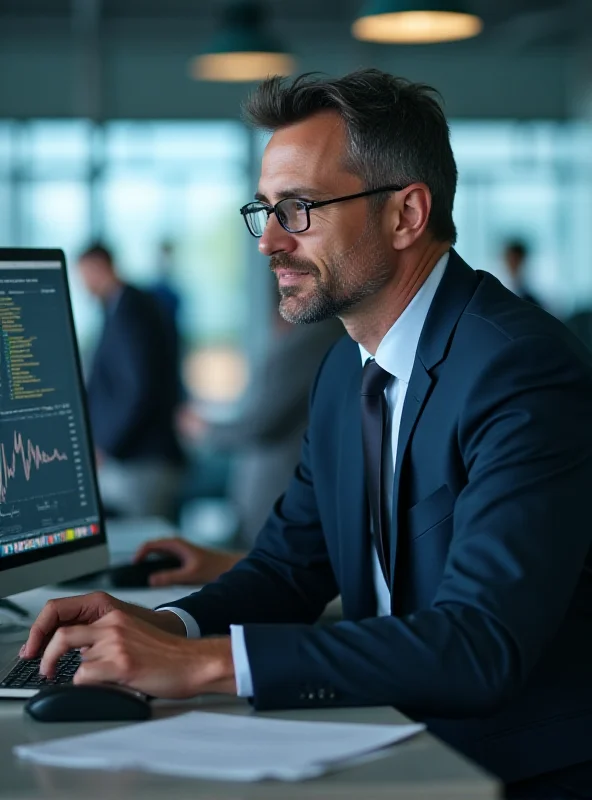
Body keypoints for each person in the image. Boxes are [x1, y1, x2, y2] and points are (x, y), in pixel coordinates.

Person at [22, 72, 592, 798]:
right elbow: (288, 571)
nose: (268, 243)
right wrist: (168, 627)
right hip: (392, 734)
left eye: (298, 209)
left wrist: (205, 666)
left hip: (508, 768)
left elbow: (479, 646)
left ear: (405, 214)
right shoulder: (343, 374)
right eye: (264, 210)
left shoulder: (517, 369)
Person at [177, 298, 343, 546]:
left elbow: (262, 423)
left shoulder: (312, 338)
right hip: (274, 493)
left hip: (279, 492)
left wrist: (204, 430)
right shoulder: (313, 336)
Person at [79, 244, 184, 518]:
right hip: (135, 460)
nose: (82, 285)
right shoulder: (118, 307)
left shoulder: (132, 310)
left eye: (84, 275)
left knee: (145, 546)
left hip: (142, 462)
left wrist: (105, 445)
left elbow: (137, 389)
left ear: (99, 266)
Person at [502, 240, 541, 306]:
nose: (513, 264)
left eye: (516, 260)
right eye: (511, 260)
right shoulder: (500, 287)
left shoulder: (528, 295)